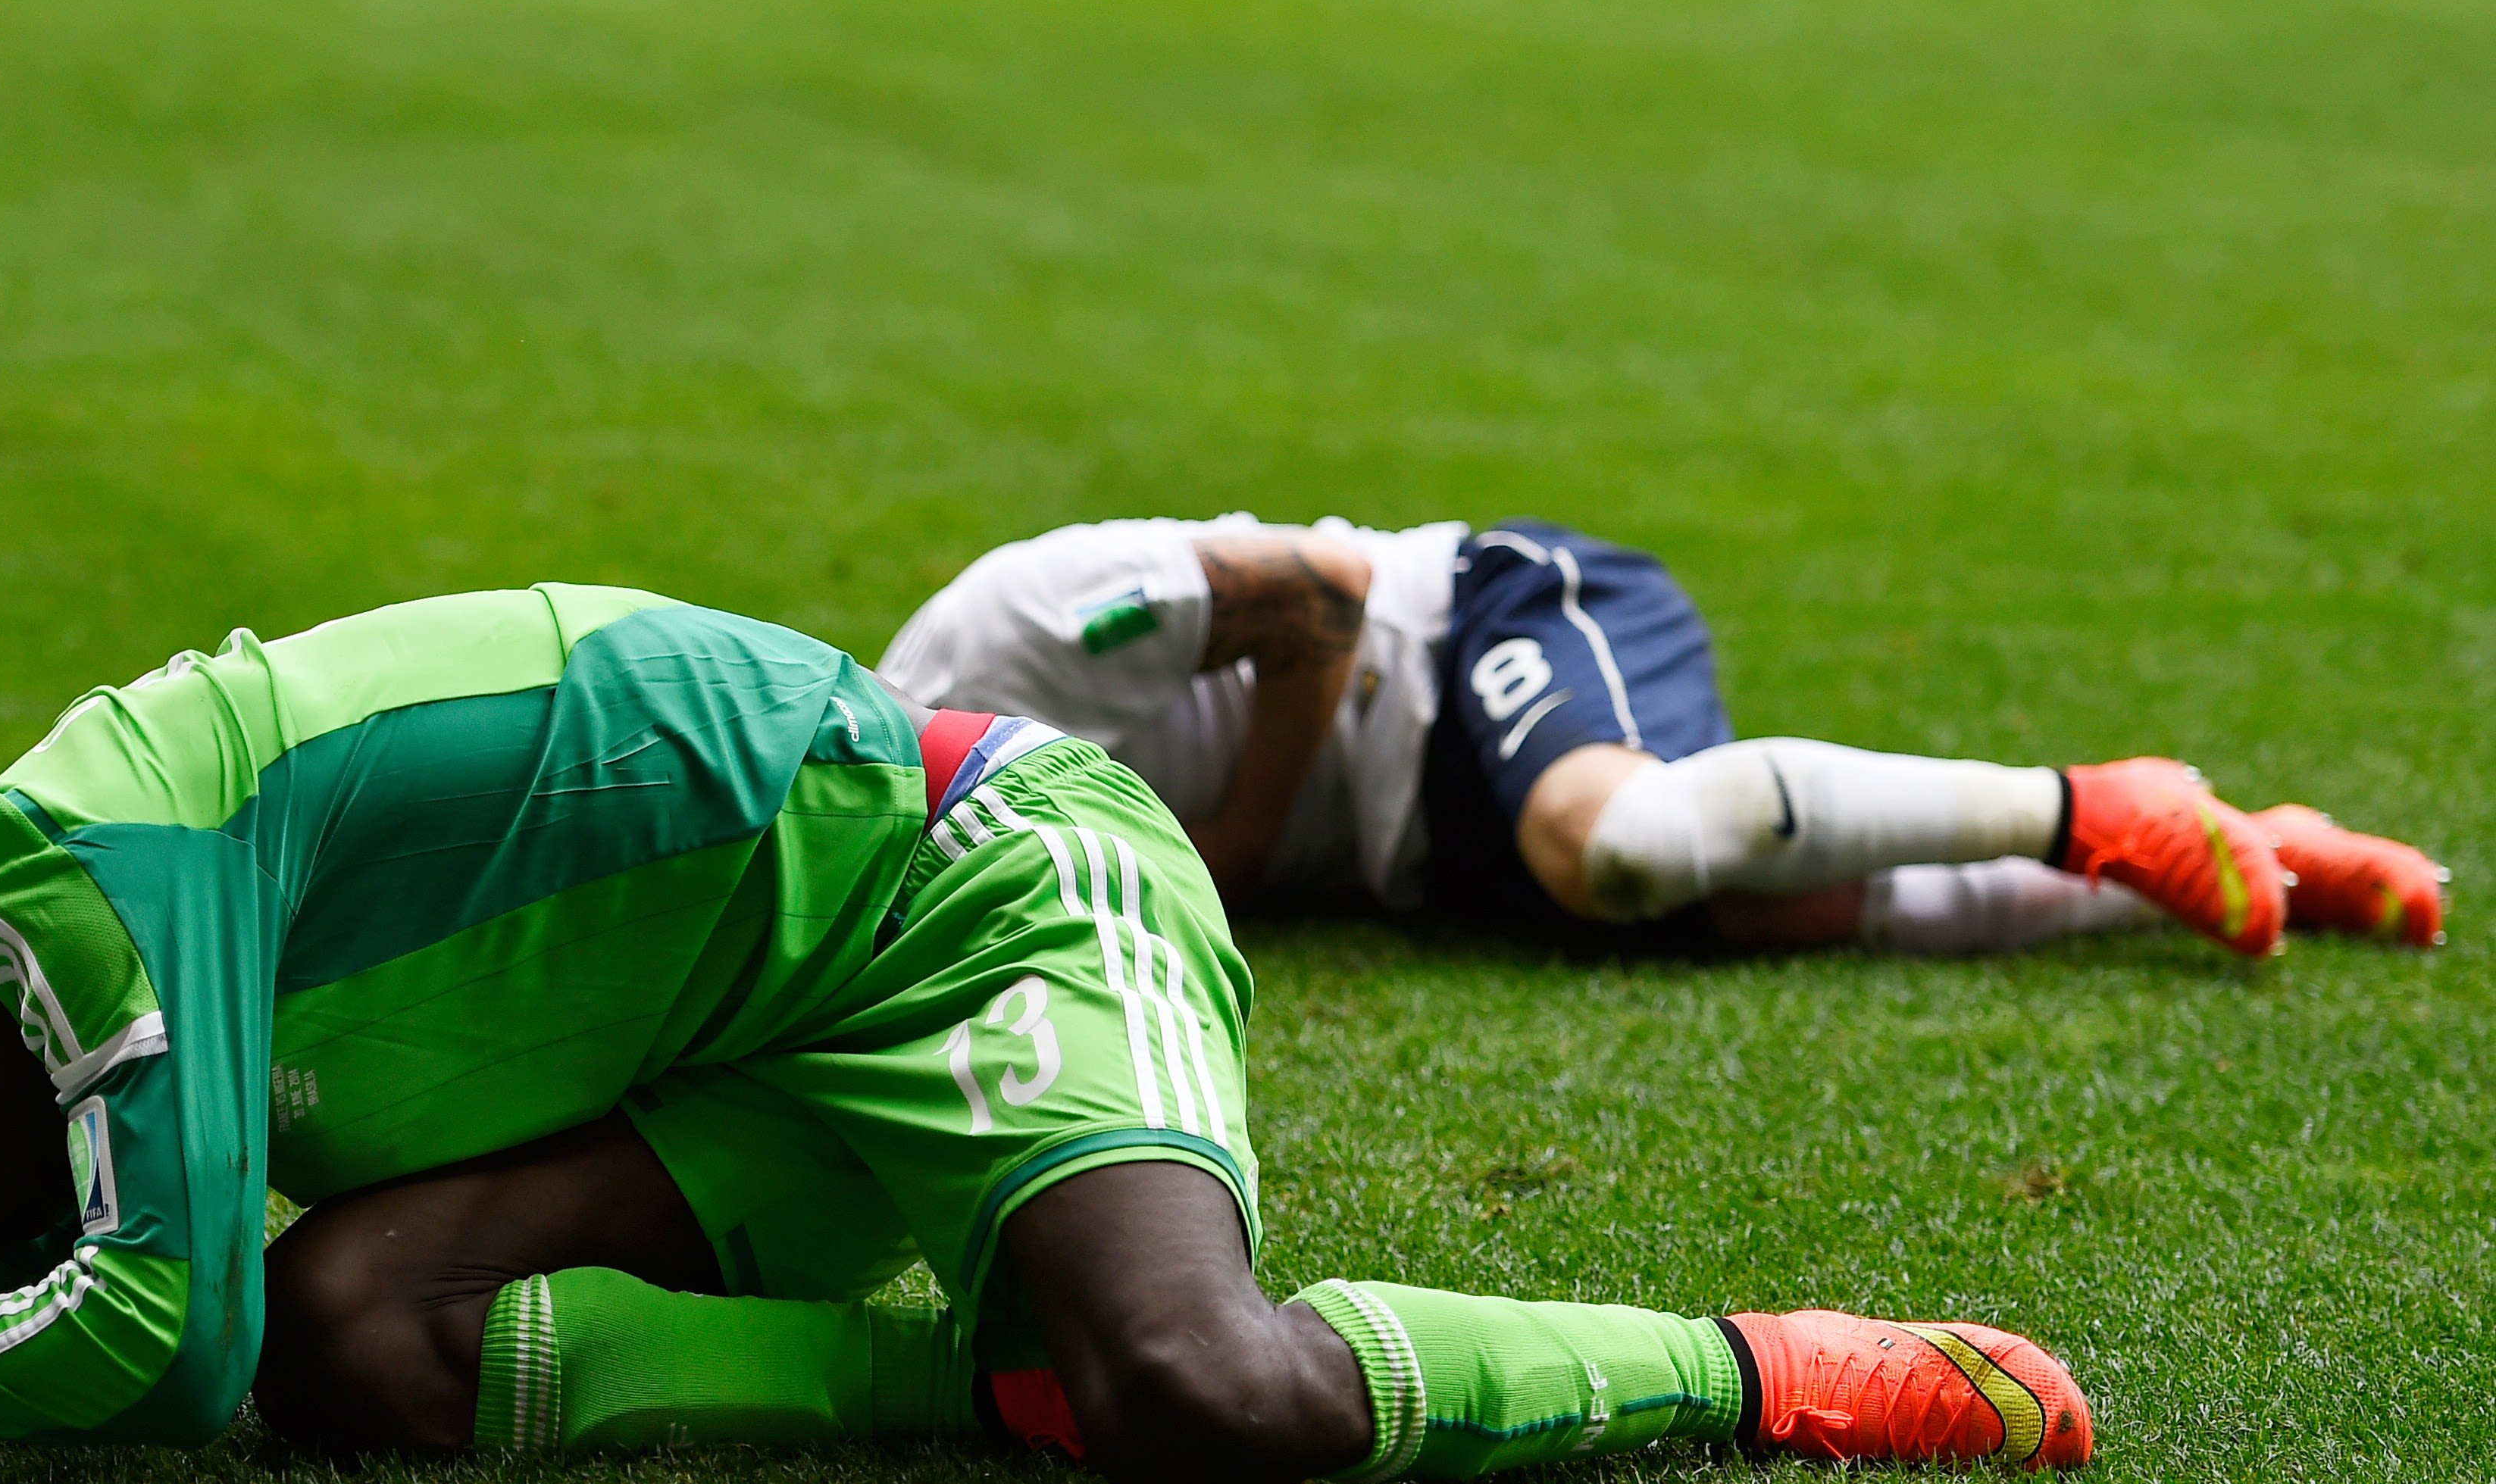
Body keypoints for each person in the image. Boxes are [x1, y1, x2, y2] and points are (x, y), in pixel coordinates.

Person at [0, 585, 2090, 1484]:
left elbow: (152, 1338)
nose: (98, 1194)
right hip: (737, 1064)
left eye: (30, 1198)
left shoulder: (93, 844)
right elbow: (217, 1326)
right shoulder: (68, 1002)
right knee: (349, 1334)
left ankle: (1762, 1361)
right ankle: (973, 1382)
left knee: (1204, 1401)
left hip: (985, 888)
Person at [877, 514, 2449, 958]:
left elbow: (1325, 597)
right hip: (1423, 851)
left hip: (1474, 619)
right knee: (1779, 904)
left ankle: (2093, 800)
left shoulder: (1000, 632)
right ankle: (2261, 851)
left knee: (1618, 844)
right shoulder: (900, 876)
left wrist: (1224, 848)